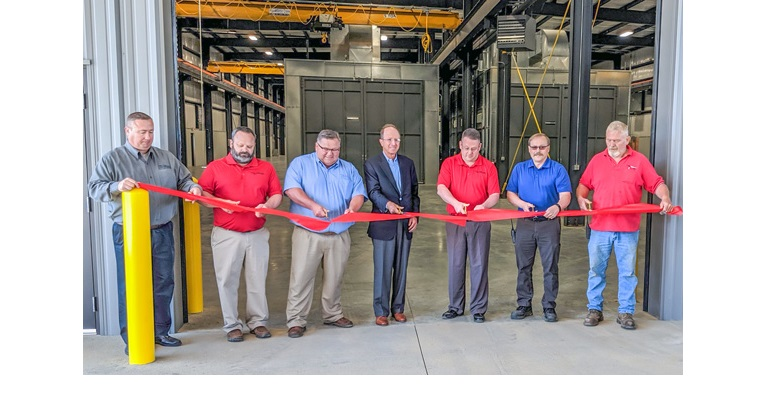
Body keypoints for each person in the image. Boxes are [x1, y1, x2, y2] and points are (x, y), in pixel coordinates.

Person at [87, 111, 202, 355]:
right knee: (130, 285)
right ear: (127, 131)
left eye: (150, 132)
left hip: (161, 230)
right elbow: (94, 189)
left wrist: (194, 187)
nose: (147, 137)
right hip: (128, 233)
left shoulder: (165, 157)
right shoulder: (112, 159)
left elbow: (184, 180)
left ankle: (160, 331)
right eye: (142, 132)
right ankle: (134, 338)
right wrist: (116, 186)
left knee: (163, 282)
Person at [576, 120, 674, 330]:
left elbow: (656, 183)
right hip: (600, 228)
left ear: (627, 140)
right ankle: (594, 309)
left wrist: (664, 197)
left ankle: (626, 312)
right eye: (609, 140)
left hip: (627, 230)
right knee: (595, 270)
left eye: (617, 141)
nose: (612, 144)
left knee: (628, 272)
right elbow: (584, 184)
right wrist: (581, 198)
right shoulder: (597, 160)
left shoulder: (639, 161)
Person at [197, 127, 283, 343]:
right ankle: (232, 325)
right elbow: (202, 193)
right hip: (227, 234)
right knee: (227, 280)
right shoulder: (216, 168)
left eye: (250, 146)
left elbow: (276, 194)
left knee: (257, 279)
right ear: (231, 143)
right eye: (241, 145)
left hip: (257, 233)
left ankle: (258, 322)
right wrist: (219, 203)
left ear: (255, 145)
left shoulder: (266, 168)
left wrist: (268, 205)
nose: (245, 150)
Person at [282, 129, 367, 338]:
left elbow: (359, 193)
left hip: (338, 234)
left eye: (335, 149)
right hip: (308, 232)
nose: (330, 153)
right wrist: (312, 205)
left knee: (335, 278)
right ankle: (296, 320)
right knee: (301, 277)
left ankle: (332, 314)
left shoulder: (348, 169)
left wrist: (353, 208)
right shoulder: (300, 164)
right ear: (316, 147)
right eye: (326, 149)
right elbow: (292, 190)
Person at [505, 133, 572, 323]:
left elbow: (565, 195)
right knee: (523, 266)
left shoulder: (558, 170)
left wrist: (558, 206)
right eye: (534, 147)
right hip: (525, 223)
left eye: (542, 147)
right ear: (529, 149)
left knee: (550, 267)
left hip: (548, 224)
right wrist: (521, 203)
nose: (538, 151)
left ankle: (549, 306)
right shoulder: (519, 169)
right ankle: (524, 305)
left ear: (548, 148)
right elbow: (510, 193)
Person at [436, 128, 500, 323]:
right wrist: (455, 203)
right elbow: (441, 188)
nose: (469, 153)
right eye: (466, 148)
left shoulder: (488, 167)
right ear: (460, 145)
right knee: (456, 263)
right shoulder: (449, 164)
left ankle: (478, 308)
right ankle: (455, 306)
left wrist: (484, 205)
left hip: (479, 221)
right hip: (456, 220)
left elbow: (495, 195)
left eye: (473, 149)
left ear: (480, 147)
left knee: (479, 264)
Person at [363, 124, 420, 327]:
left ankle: (398, 308)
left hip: (405, 224)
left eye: (396, 139)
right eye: (389, 140)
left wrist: (414, 215)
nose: (393, 143)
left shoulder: (408, 163)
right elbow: (373, 191)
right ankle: (381, 311)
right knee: (383, 269)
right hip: (384, 223)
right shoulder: (372, 164)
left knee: (401, 268)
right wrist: (388, 205)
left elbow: (414, 192)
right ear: (381, 142)